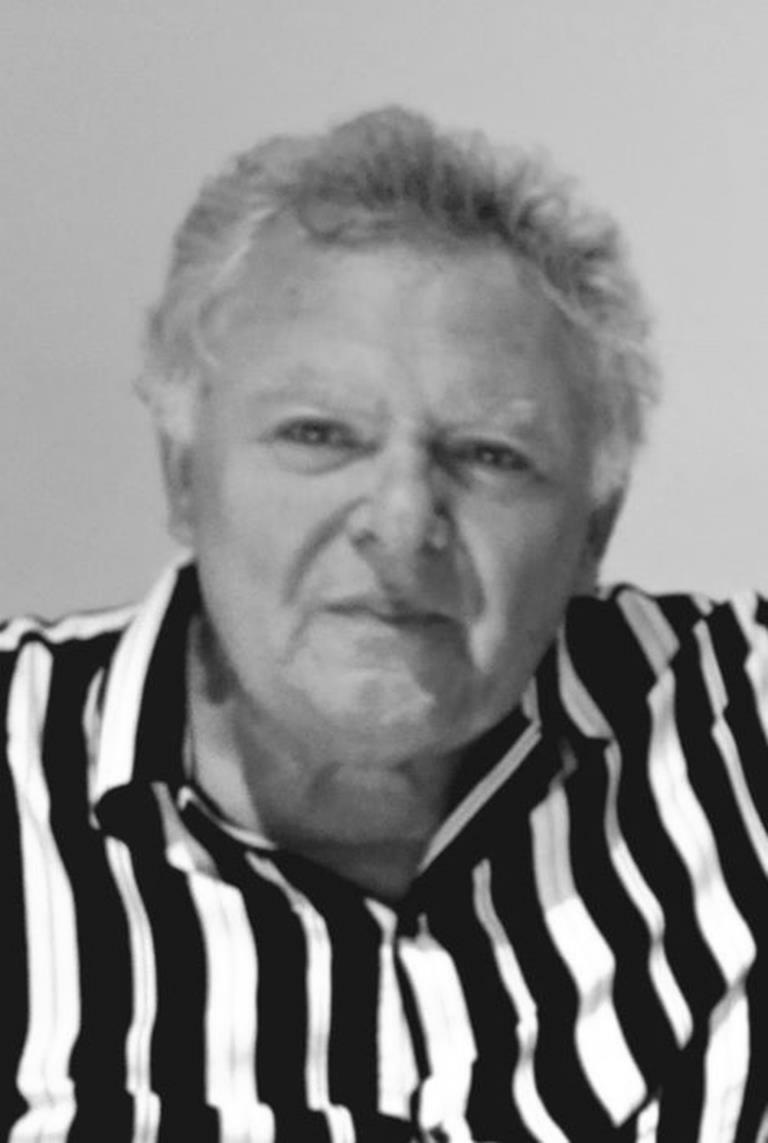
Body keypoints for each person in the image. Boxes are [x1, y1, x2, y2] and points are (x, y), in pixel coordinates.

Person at [2, 106, 766, 1143]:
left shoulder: (733, 718)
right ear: (184, 475)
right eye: (319, 435)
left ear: (595, 526)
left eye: (491, 455)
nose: (403, 524)